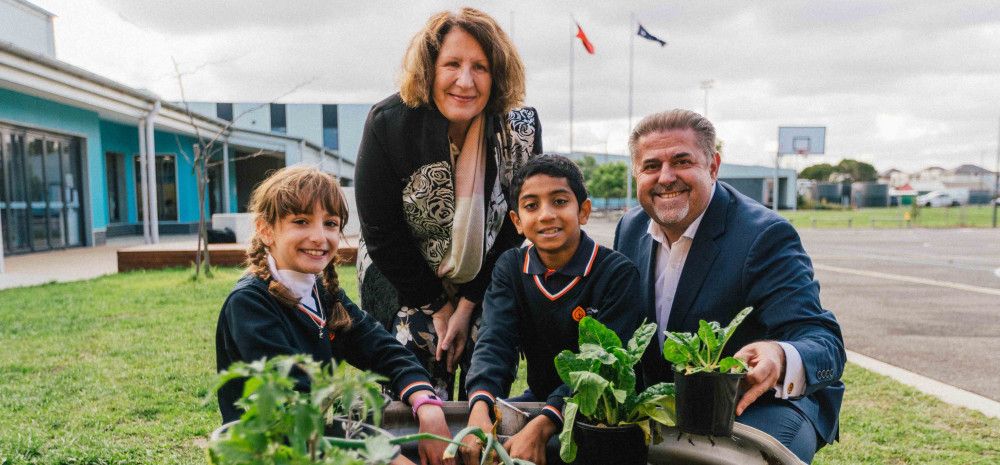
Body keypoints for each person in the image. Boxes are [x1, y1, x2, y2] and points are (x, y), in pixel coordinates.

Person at [613, 109, 846, 464]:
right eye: (650, 166)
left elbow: (823, 340)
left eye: (681, 160)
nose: (666, 177)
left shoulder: (763, 236)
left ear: (713, 166)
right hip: (677, 403)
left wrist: (778, 355)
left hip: (765, 403)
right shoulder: (629, 228)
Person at [355, 7, 542, 401]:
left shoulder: (520, 129)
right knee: (413, 363)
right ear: (429, 69)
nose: (465, 81)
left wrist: (468, 302)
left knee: (488, 357)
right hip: (402, 272)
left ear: (499, 74)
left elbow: (516, 225)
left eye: (481, 67)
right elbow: (381, 231)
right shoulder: (388, 123)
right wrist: (438, 305)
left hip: (487, 272)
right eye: (452, 64)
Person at [215, 166, 453, 465]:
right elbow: (292, 407)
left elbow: (382, 348)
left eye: (330, 223)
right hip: (269, 451)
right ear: (265, 230)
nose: (319, 236)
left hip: (314, 443)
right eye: (301, 221)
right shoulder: (250, 304)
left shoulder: (323, 295)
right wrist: (381, 456)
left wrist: (427, 405)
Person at [462, 155, 643, 465]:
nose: (546, 215)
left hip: (602, 413)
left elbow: (601, 368)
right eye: (531, 206)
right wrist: (479, 405)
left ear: (583, 211)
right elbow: (495, 341)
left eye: (559, 202)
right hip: (539, 399)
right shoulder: (511, 268)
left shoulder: (617, 273)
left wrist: (544, 424)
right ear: (517, 222)